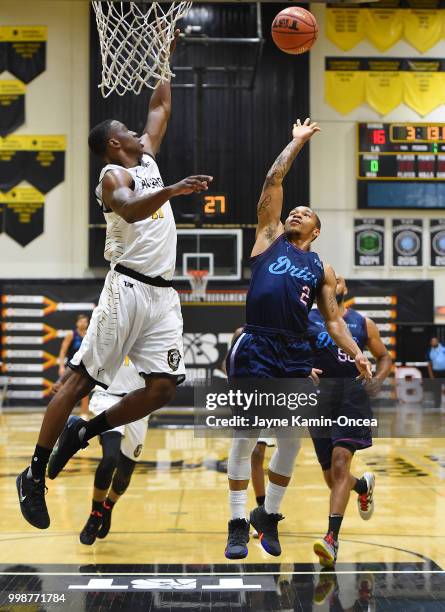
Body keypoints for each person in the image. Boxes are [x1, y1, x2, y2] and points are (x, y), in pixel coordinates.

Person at [16, 30, 212, 531]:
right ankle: (34, 473)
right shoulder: (112, 177)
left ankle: (87, 429)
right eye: (127, 129)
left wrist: (166, 55)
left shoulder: (145, 157)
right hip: (125, 287)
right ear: (112, 143)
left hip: (163, 293)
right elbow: (130, 208)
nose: (137, 132)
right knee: (78, 378)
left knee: (165, 388)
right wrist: (173, 189)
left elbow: (161, 107)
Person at [224, 118, 372, 560]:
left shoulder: (321, 269)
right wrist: (296, 142)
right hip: (257, 343)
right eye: (293, 210)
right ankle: (236, 522)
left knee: (289, 438)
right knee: (247, 435)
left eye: (304, 214)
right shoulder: (269, 237)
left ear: (316, 231)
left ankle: (267, 516)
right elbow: (274, 179)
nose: (295, 214)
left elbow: (334, 323)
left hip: (293, 349)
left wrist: (357, 353)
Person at [308, 275, 392, 568]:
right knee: (333, 478)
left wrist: (379, 380)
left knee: (342, 461)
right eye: (332, 280)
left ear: (344, 289)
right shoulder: (307, 319)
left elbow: (384, 357)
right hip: (319, 401)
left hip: (352, 396)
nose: (335, 281)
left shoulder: (362, 322)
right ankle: (362, 486)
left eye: (339, 279)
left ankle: (331, 539)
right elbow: (293, 353)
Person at [47, 358, 148, 545]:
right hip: (108, 398)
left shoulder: (151, 338)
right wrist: (62, 381)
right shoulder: (111, 330)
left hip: (139, 402)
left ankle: (107, 508)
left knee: (124, 474)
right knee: (109, 459)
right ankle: (95, 514)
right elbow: (85, 354)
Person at [57, 314, 90, 419]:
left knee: (85, 393)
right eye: (81, 321)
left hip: (85, 368)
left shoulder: (90, 334)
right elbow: (63, 351)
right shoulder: (71, 334)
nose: (83, 323)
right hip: (71, 368)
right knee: (67, 392)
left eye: (85, 321)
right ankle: (63, 415)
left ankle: (84, 417)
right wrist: (61, 366)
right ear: (77, 323)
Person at [427, 336, 445, 408]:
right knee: (437, 390)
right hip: (436, 372)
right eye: (432, 341)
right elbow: (429, 364)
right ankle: (437, 405)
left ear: (438, 342)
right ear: (431, 343)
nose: (434, 342)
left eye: (435, 341)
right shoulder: (429, 352)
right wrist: (431, 375)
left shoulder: (443, 349)